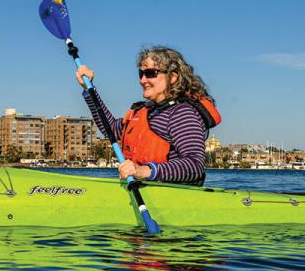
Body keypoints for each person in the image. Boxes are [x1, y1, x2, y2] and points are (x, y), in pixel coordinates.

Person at [76, 46, 219, 186]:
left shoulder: (182, 113)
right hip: (143, 189)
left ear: (173, 77)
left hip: (175, 196)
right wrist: (89, 89)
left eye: (151, 73)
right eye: (141, 74)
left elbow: (195, 165)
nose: (142, 80)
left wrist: (143, 171)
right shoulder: (143, 112)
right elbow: (111, 129)